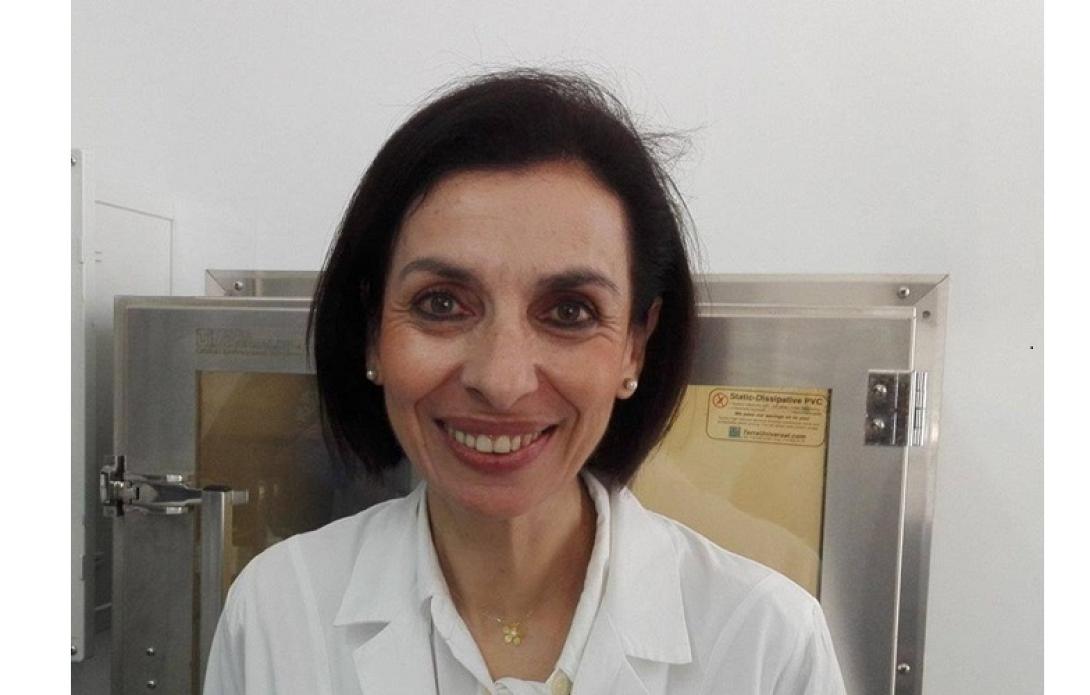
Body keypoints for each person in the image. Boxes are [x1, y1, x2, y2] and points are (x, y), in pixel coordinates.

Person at [203, 68, 847, 694]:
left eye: (569, 312)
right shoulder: (278, 611)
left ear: (634, 347)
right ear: (373, 330)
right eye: (441, 304)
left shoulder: (765, 643)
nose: (501, 380)